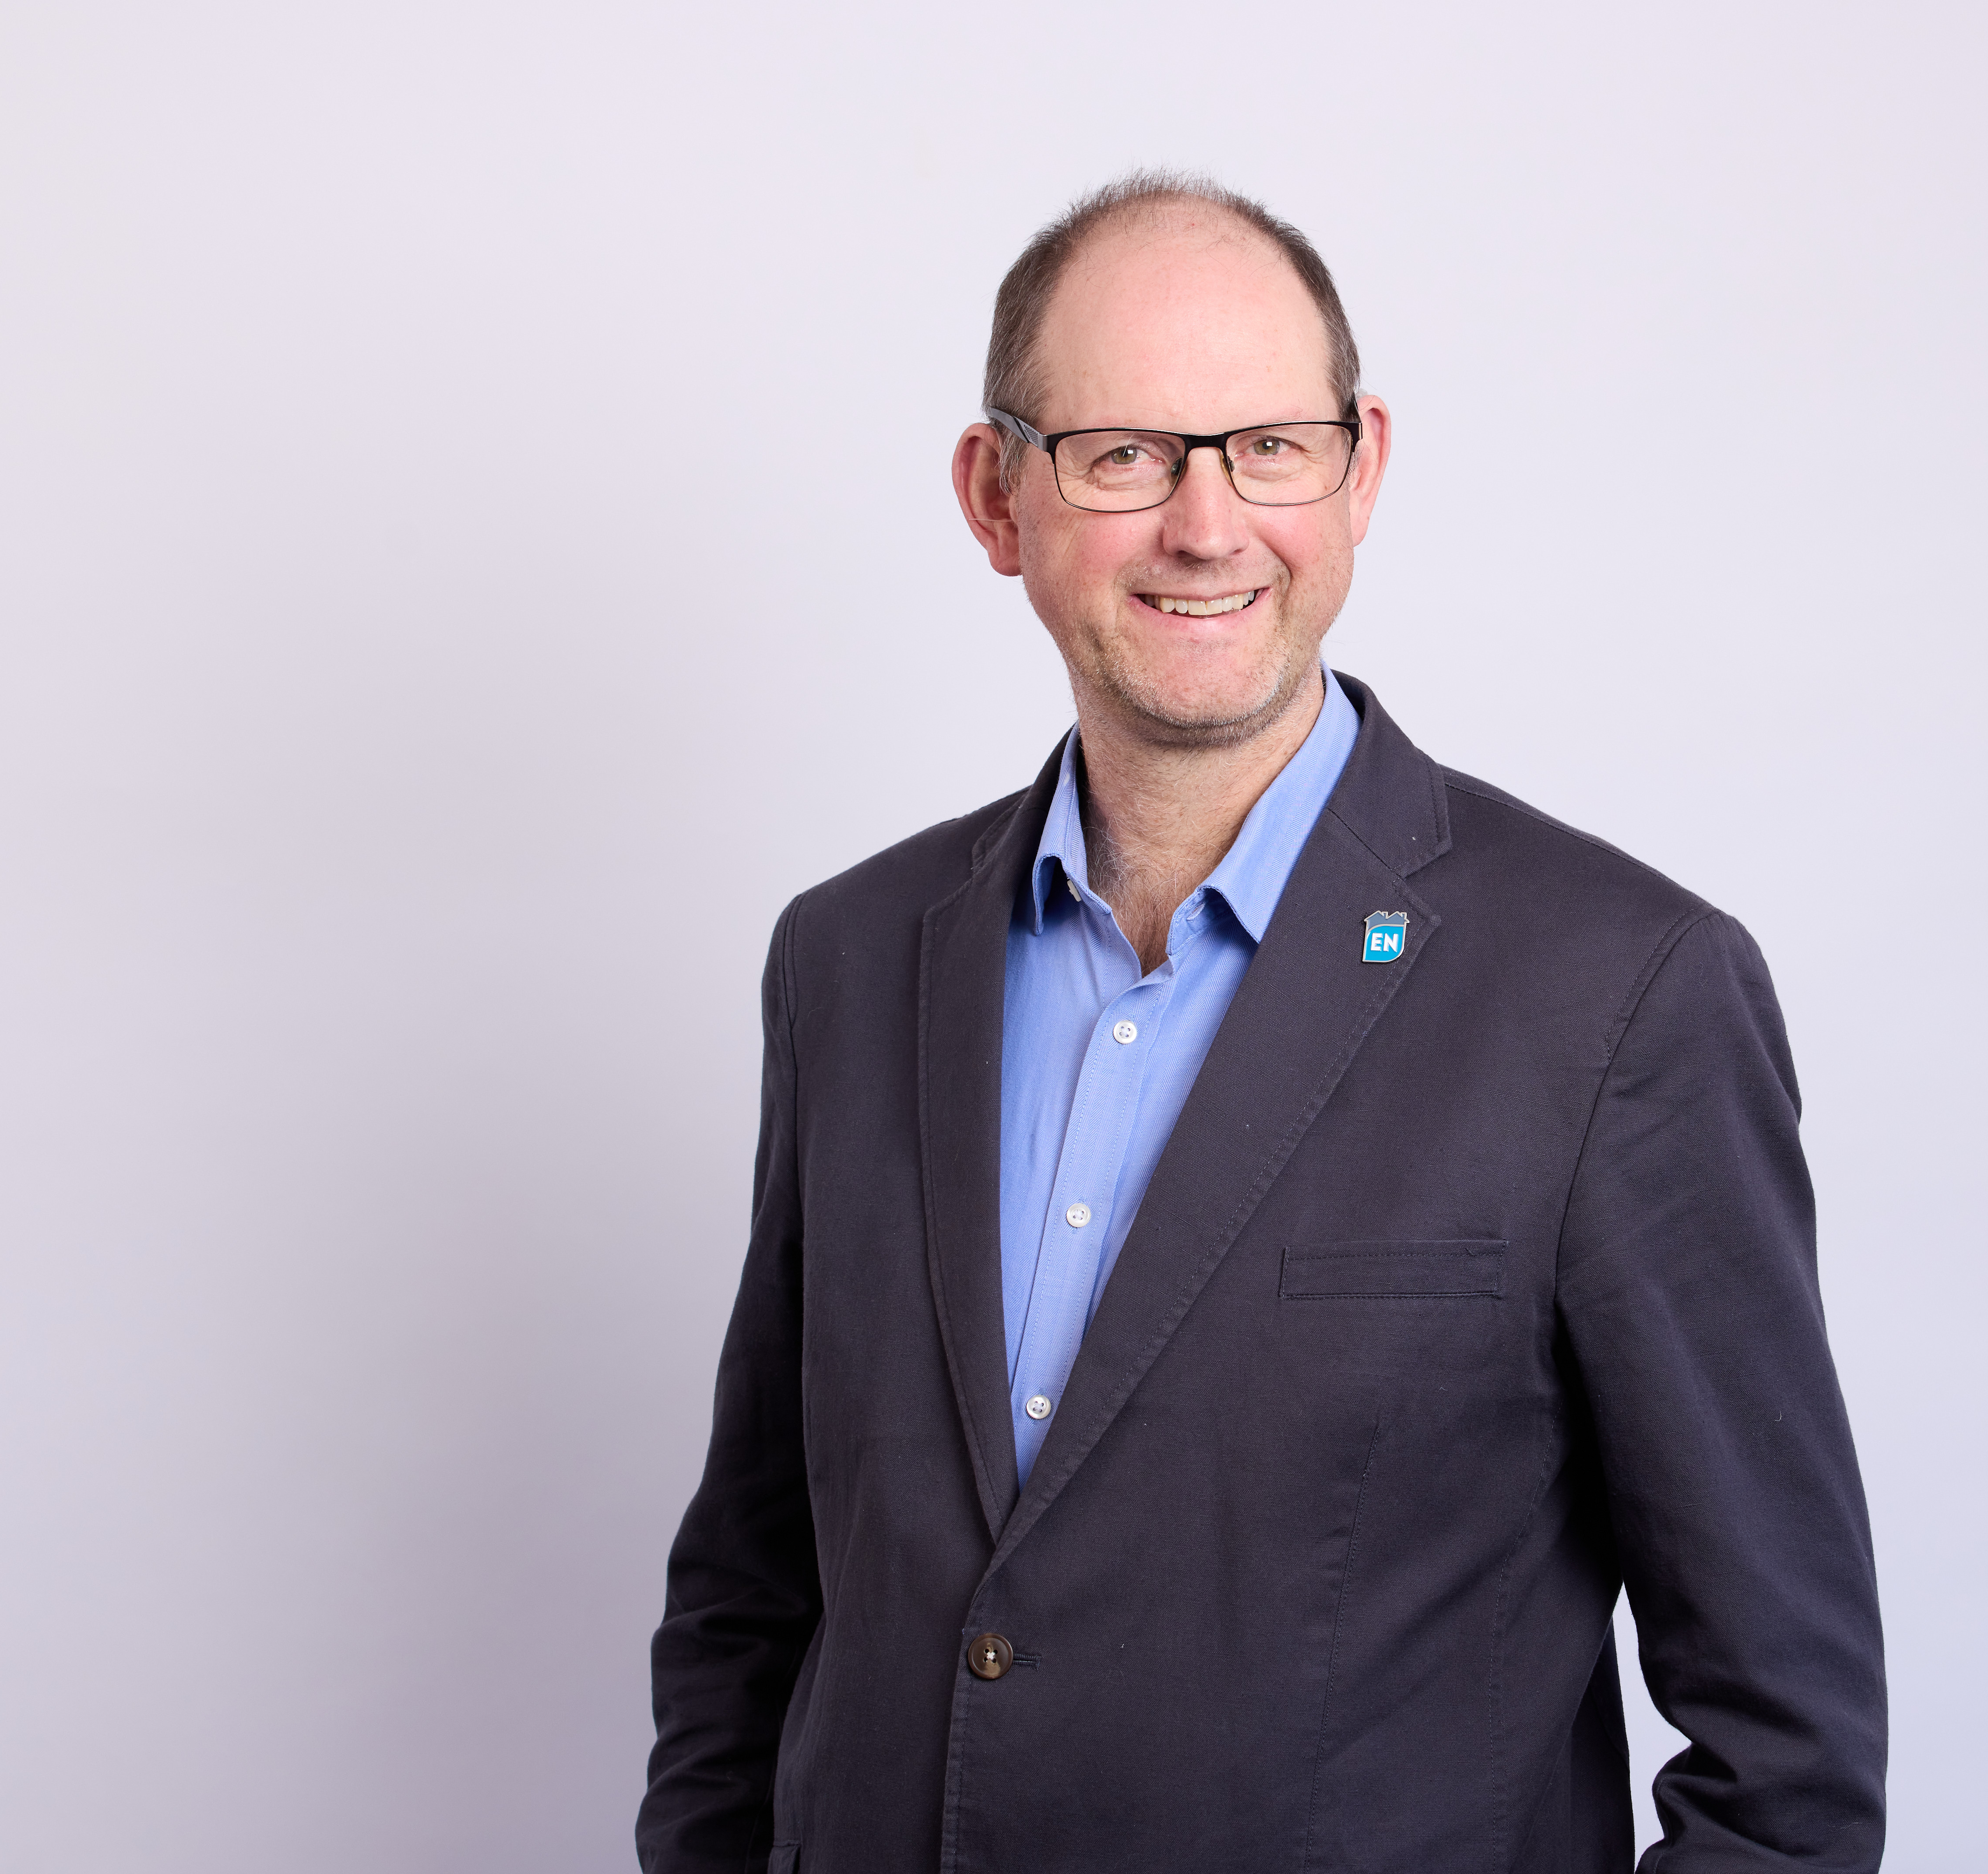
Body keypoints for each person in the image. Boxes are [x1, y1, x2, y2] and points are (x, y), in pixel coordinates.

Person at [638, 172, 1886, 1874]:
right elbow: (754, 1594)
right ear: (995, 495)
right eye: (1123, 455)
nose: (1207, 525)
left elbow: (1787, 1758)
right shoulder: (849, 962)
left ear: (1360, 473)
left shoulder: (1617, 994)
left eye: (1271, 448)